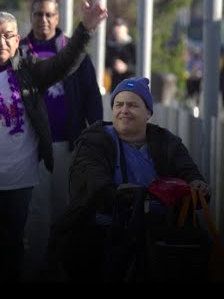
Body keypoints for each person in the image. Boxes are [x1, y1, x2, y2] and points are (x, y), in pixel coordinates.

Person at [0, 2, 107, 281]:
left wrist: (84, 29)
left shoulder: (30, 72)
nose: (0, 41)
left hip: (21, 182)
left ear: (17, 41)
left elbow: (66, 62)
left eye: (7, 35)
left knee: (13, 247)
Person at [51, 77, 210, 281]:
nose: (124, 110)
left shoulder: (167, 142)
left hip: (159, 233)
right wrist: (121, 193)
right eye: (119, 104)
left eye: (133, 105)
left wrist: (197, 184)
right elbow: (91, 178)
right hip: (104, 232)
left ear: (148, 113)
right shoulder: (94, 140)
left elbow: (188, 171)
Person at [19, 0, 103, 279]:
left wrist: (96, 138)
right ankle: (38, 266)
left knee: (64, 209)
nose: (43, 20)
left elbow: (92, 98)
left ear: (57, 18)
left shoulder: (75, 53)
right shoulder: (18, 52)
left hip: (68, 143)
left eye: (49, 15)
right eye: (38, 14)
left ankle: (63, 264)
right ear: (30, 18)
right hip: (30, 146)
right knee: (36, 213)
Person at [105, 18, 136, 92]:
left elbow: (140, 66)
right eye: (115, 26)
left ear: (126, 29)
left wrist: (126, 67)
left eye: (120, 26)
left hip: (130, 86)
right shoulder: (107, 46)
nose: (117, 29)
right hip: (113, 87)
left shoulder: (133, 47)